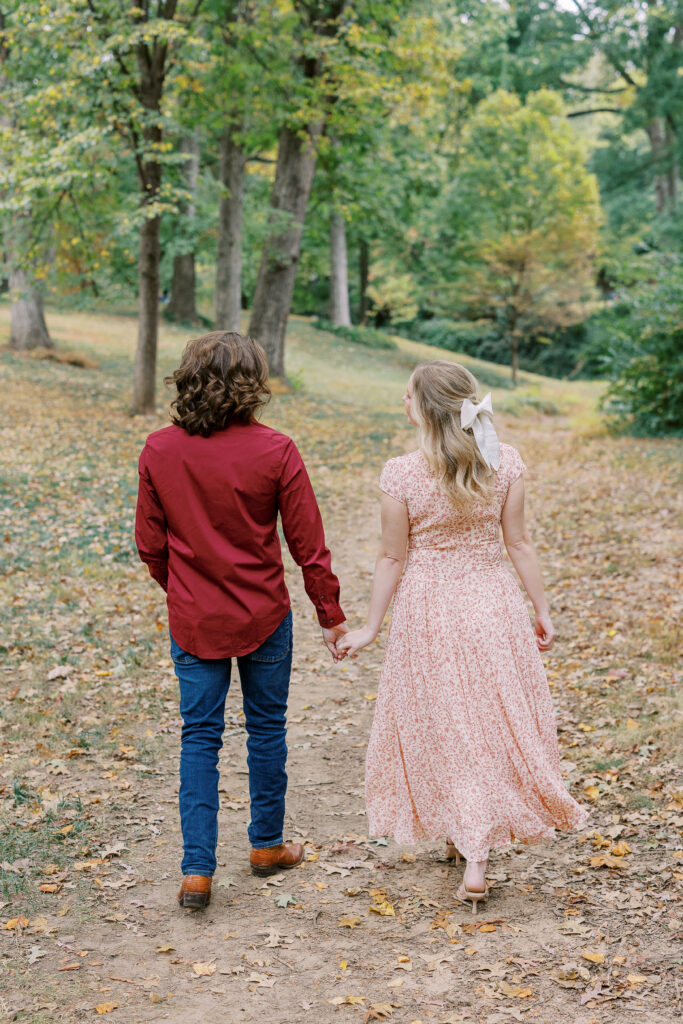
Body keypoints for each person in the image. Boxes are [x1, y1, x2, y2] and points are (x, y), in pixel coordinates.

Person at [337, 361, 588, 913]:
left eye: (407, 396)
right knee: (486, 722)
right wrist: (540, 608)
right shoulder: (504, 462)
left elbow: (391, 555)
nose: (402, 402)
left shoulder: (401, 473)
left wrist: (372, 626)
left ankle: (472, 850)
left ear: (425, 408)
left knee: (448, 722)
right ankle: (467, 841)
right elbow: (518, 543)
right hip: (492, 604)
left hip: (429, 608)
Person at [135, 331, 348, 909]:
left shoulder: (159, 449)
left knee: (199, 737)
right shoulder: (276, 450)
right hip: (263, 615)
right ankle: (265, 846)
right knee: (266, 728)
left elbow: (150, 547)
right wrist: (330, 615)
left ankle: (197, 872)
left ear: (189, 378)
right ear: (253, 383)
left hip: (195, 621)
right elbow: (309, 545)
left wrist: (183, 591)